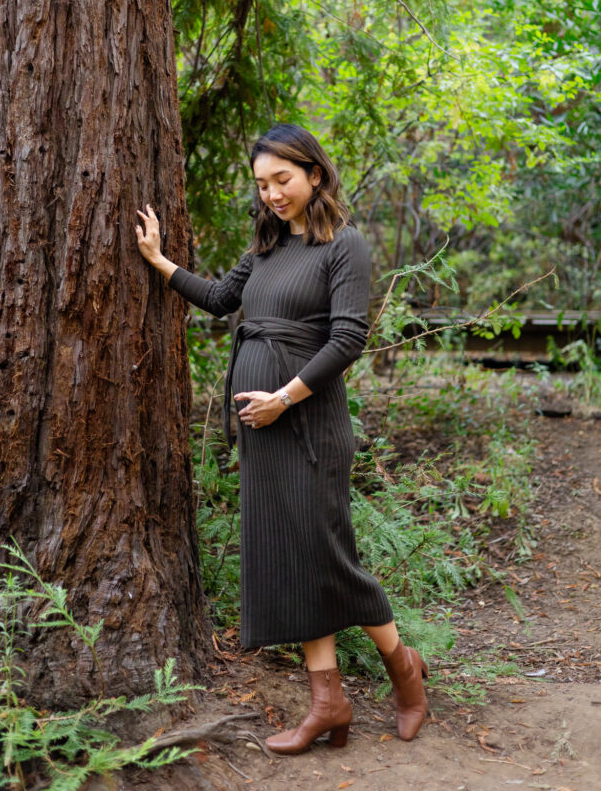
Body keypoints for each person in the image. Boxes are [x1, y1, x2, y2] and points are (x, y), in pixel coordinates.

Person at [135, 123, 428, 755]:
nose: (272, 194)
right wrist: (161, 261)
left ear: (314, 174)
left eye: (283, 180)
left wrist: (283, 397)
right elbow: (218, 299)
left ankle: (405, 669)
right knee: (288, 559)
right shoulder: (267, 248)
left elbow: (348, 338)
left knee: (327, 556)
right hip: (260, 429)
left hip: (308, 425)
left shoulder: (344, 246)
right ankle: (328, 702)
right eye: (263, 184)